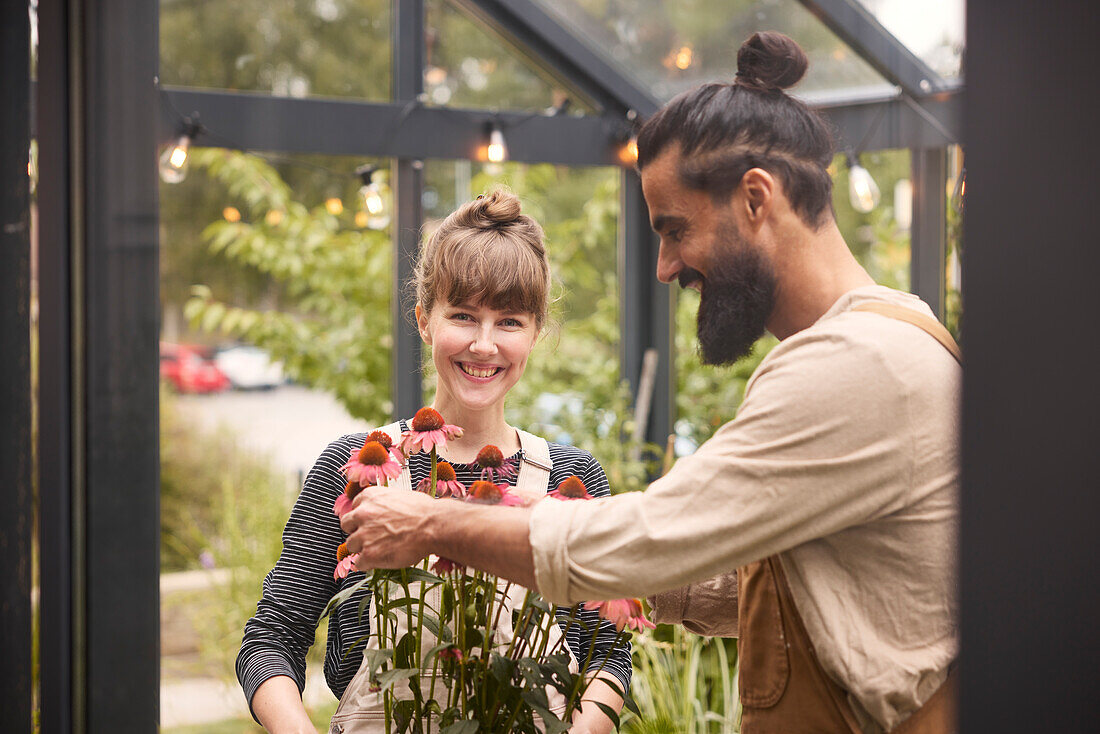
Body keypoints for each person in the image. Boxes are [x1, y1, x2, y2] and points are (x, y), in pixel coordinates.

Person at [338, 32, 961, 734]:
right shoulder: (893, 332)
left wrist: (432, 522)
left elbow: (653, 537)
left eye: (674, 229)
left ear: (756, 199)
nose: (665, 267)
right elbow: (774, 580)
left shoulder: (854, 364)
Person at [236, 190, 630, 734]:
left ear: (536, 333)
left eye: (509, 321)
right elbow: (271, 639)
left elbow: (608, 654)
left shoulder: (571, 480)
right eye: (464, 316)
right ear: (424, 321)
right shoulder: (353, 467)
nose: (485, 345)